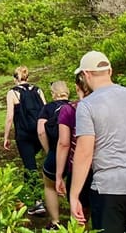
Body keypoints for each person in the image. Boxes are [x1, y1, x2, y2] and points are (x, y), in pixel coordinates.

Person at [69, 51, 126, 233]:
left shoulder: (87, 105)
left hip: (108, 189)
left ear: (85, 75)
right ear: (110, 71)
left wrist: (74, 196)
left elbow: (84, 152)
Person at [3, 65, 47, 215]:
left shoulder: (12, 93)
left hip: (24, 135)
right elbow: (46, 111)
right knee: (30, 164)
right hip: (39, 134)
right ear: (27, 77)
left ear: (15, 78)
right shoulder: (38, 90)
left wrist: (6, 136)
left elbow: (9, 117)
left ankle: (38, 201)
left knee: (30, 166)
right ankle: (29, 195)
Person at [55, 72, 95, 228]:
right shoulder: (105, 107)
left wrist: (59, 175)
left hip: (78, 168)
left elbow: (64, 143)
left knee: (79, 215)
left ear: (77, 87)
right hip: (104, 168)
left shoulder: (69, 110)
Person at [36, 81, 71, 229]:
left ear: (52, 93)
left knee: (49, 186)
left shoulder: (47, 108)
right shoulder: (75, 106)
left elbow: (41, 131)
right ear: (68, 92)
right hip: (76, 154)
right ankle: (77, 222)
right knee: (77, 185)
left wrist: (48, 150)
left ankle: (55, 222)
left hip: (56, 152)